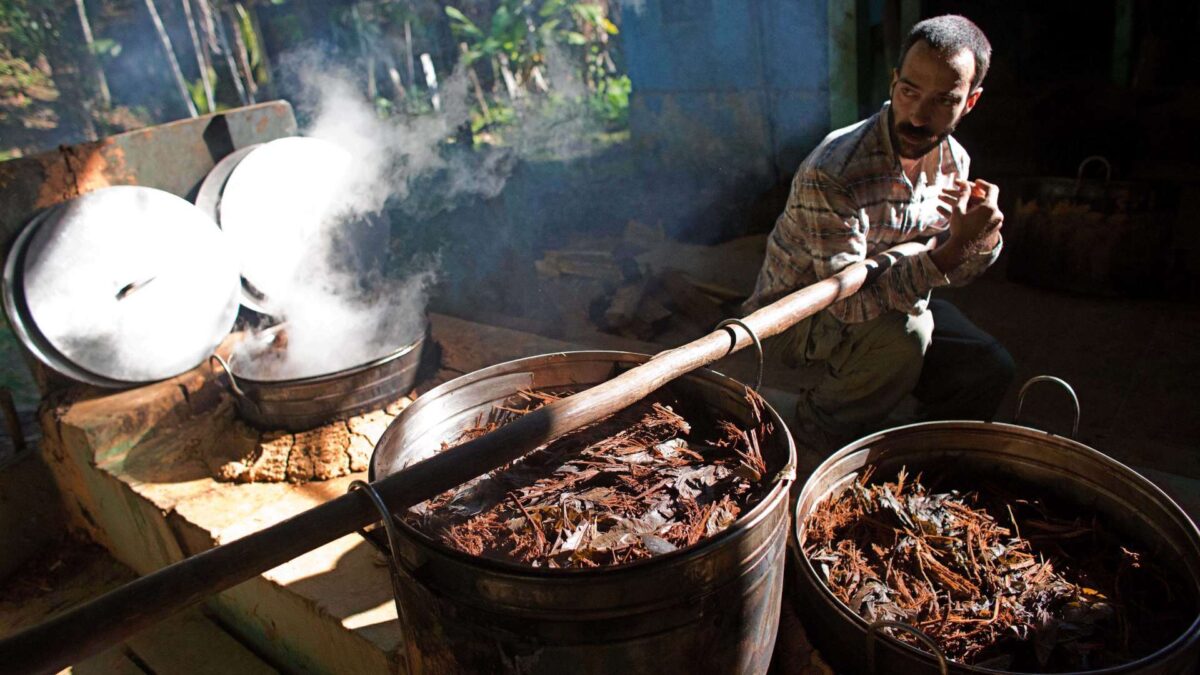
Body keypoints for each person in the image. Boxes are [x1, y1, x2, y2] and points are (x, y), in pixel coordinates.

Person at [745, 14, 1015, 453]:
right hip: (797, 320)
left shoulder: (953, 162)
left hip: (893, 299)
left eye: (943, 101)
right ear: (893, 83)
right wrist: (951, 253)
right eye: (909, 91)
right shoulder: (835, 170)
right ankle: (818, 429)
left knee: (988, 366)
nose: (918, 115)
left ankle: (925, 453)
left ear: (970, 102)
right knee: (909, 335)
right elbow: (848, 303)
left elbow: (955, 272)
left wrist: (982, 238)